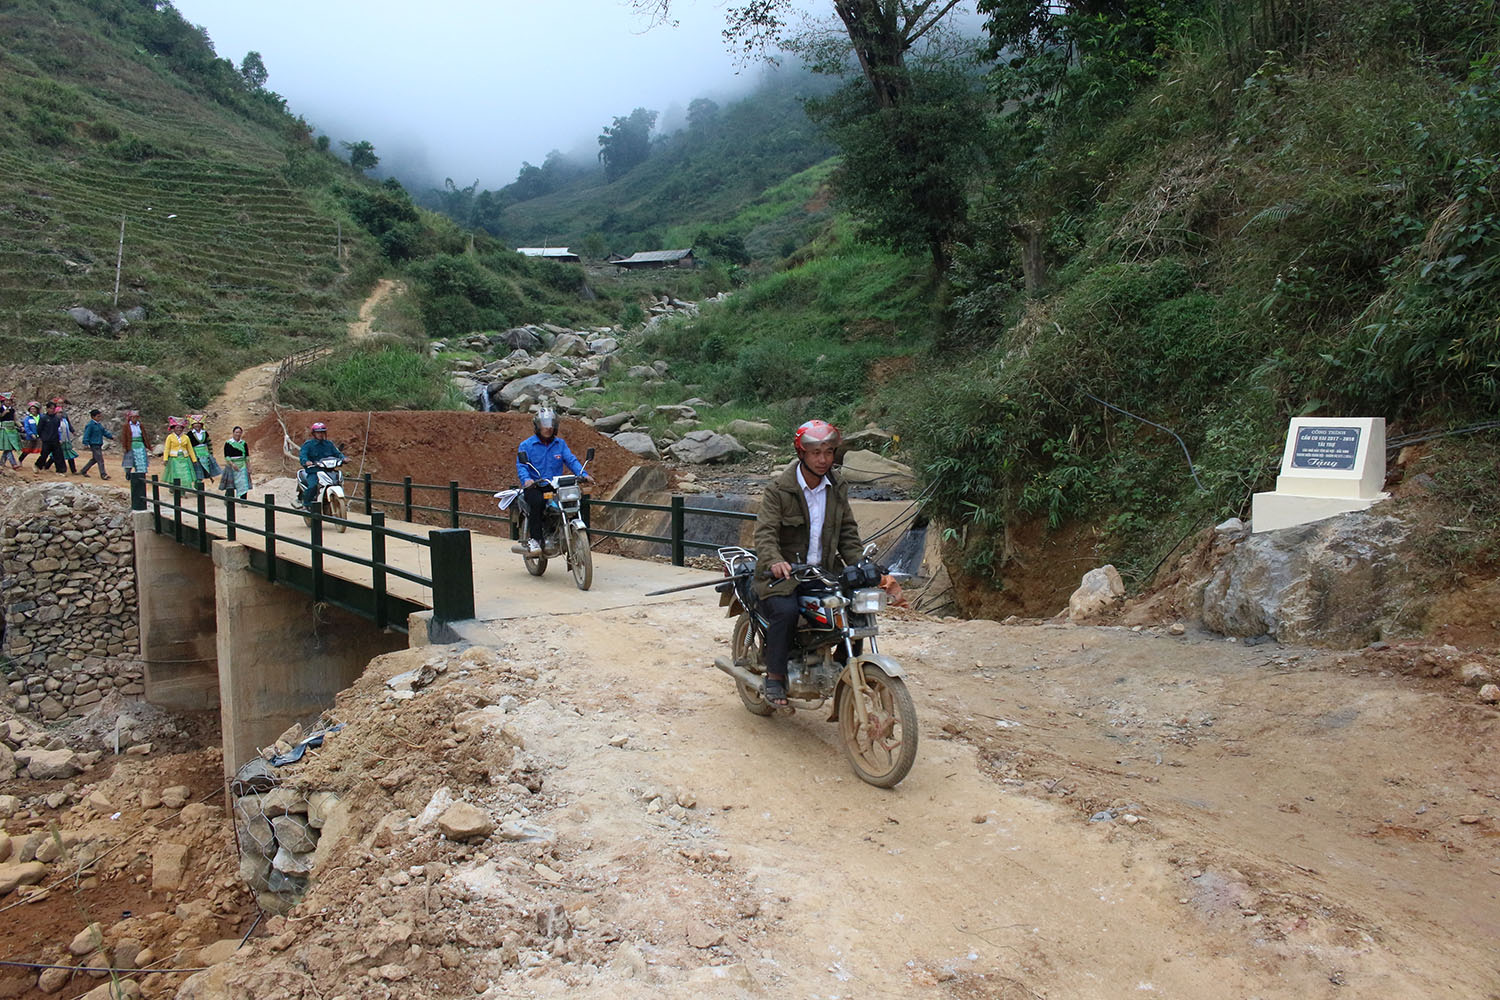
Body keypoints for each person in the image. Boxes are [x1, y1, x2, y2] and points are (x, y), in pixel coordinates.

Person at [751, 419, 865, 707]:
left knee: (857, 608)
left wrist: (861, 565)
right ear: (802, 453)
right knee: (786, 611)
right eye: (816, 453)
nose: (823, 459)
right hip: (783, 576)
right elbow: (765, 533)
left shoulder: (837, 487)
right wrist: (775, 561)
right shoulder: (779, 489)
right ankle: (775, 676)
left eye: (828, 452)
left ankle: (844, 668)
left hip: (823, 573)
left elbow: (848, 533)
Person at [515, 407, 590, 554]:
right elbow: (522, 466)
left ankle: (580, 538)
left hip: (555, 486)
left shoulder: (560, 444)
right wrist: (527, 479)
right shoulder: (526, 445)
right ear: (537, 426)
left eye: (551, 424)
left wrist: (583, 474)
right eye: (544, 424)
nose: (548, 428)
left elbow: (571, 460)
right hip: (536, 486)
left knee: (576, 501)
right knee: (537, 502)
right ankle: (536, 539)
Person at [297, 421, 345, 510]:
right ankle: (306, 504)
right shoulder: (308, 445)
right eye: (318, 432)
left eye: (322, 432)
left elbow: (337, 453)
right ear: (314, 433)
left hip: (329, 471)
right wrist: (306, 461)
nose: (320, 434)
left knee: (338, 481)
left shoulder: (329, 444)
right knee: (313, 486)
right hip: (314, 471)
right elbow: (303, 455)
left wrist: (343, 458)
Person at [77, 408, 114, 479]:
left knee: (94, 459)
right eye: (98, 416)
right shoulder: (90, 425)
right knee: (100, 459)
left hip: (98, 443)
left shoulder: (99, 425)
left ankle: (83, 470)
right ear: (93, 417)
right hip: (94, 444)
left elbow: (104, 432)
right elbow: (86, 434)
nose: (100, 418)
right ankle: (103, 474)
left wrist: (111, 437)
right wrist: (85, 443)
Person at [162, 417, 196, 489]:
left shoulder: (186, 437)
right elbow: (167, 448)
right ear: (173, 428)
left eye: (180, 428)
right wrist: (165, 459)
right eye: (177, 428)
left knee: (186, 474)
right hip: (174, 459)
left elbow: (190, 449)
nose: (179, 429)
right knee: (175, 474)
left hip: (184, 458)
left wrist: (194, 459)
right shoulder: (170, 437)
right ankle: (175, 489)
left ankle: (186, 488)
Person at [186, 415, 219, 485]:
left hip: (204, 453)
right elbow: (188, 445)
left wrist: (210, 453)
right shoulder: (189, 434)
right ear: (192, 425)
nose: (197, 425)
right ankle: (197, 483)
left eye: (199, 424)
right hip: (195, 453)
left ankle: (201, 480)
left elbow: (209, 443)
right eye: (195, 424)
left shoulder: (205, 433)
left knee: (205, 467)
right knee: (197, 468)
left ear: (201, 425)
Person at [35, 400, 66, 475]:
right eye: (51, 408)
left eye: (53, 408)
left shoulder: (56, 419)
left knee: (58, 455)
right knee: (44, 455)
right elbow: (39, 429)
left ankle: (60, 470)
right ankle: (37, 465)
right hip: (46, 440)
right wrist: (42, 437)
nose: (52, 410)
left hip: (55, 440)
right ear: (47, 409)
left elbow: (57, 429)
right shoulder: (43, 418)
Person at [222, 426, 252, 498]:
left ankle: (243, 500)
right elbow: (227, 456)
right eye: (236, 432)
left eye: (239, 432)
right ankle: (229, 500)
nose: (238, 434)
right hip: (231, 465)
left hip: (242, 465)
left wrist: (249, 467)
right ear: (233, 433)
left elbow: (247, 456)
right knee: (230, 484)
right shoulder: (228, 443)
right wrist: (232, 464)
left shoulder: (243, 443)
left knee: (243, 483)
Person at [121, 410, 150, 478]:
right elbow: (124, 437)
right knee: (129, 461)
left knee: (141, 459)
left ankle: (140, 475)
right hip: (131, 445)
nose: (135, 419)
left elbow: (144, 435)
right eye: (133, 417)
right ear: (130, 418)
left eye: (136, 417)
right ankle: (128, 474)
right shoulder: (126, 426)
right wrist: (124, 447)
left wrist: (147, 445)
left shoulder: (140, 425)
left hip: (140, 444)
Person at [55, 400, 78, 474]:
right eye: (59, 403)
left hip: (66, 439)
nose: (61, 404)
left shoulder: (65, 417)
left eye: (62, 403)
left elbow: (69, 424)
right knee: (58, 455)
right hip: (59, 439)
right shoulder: (54, 419)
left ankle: (73, 470)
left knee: (69, 454)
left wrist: (73, 431)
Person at [0, 394, 22, 470]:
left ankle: (2, 463)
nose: (8, 402)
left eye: (10, 401)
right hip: (4, 429)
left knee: (8, 447)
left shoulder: (12, 410)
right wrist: (3, 413)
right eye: (7, 400)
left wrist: (21, 426)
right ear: (3, 401)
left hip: (12, 430)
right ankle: (13, 463)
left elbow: (15, 420)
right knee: (8, 447)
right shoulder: (1, 409)